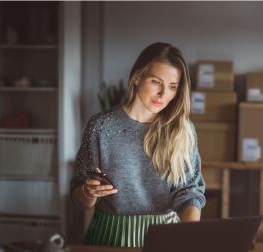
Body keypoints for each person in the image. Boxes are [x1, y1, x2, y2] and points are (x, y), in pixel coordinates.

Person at [70, 42, 206, 247]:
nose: (163, 94)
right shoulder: (100, 126)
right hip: (109, 237)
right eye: (156, 82)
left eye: (172, 87)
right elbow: (79, 197)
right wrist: (88, 192)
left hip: (166, 237)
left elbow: (190, 194)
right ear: (136, 78)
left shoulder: (183, 130)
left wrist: (188, 238)